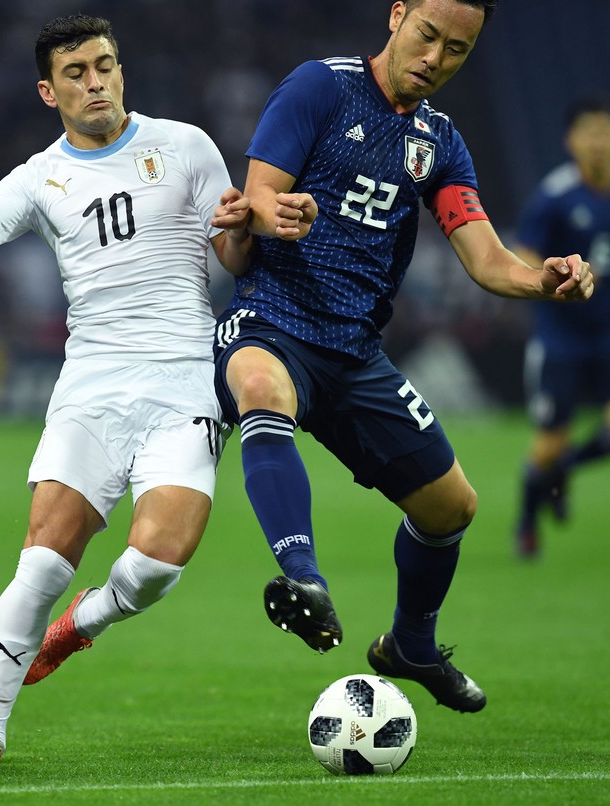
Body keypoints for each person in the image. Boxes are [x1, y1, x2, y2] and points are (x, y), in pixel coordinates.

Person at [211, 0, 593, 714]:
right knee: (261, 387)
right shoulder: (320, 87)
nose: (435, 59)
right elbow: (256, 196)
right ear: (397, 16)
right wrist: (277, 214)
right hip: (272, 321)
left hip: (355, 354)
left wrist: (541, 279)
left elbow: (485, 259)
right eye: (427, 36)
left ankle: (410, 645)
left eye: (457, 50)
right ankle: (305, 579)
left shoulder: (441, 143)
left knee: (452, 507)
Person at [0, 14, 252, 767]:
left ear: (121, 72)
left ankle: (82, 626)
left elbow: (232, 251)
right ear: (48, 89)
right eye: (76, 72)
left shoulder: (187, 146)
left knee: (157, 565)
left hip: (183, 381)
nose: (95, 82)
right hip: (92, 387)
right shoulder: (41, 177)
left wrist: (244, 228)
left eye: (105, 66)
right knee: (40, 562)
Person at [514, 97, 610, 558]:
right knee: (550, 443)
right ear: (571, 140)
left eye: (605, 131)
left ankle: (563, 471)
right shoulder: (555, 196)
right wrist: (549, 280)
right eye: (590, 132)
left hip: (607, 334)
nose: (599, 142)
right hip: (561, 338)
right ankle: (528, 520)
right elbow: (524, 253)